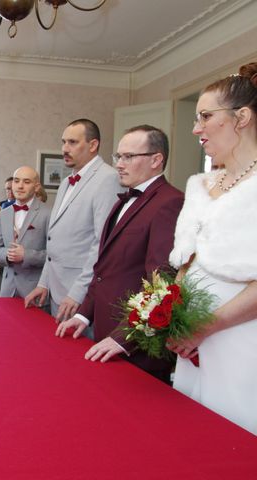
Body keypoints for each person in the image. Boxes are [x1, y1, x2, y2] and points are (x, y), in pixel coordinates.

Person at [167, 63, 257, 434]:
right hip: (193, 342)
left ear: (242, 117)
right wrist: (175, 320)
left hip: (239, 337)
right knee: (193, 433)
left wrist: (207, 326)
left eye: (205, 116)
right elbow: (186, 263)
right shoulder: (198, 185)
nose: (196, 128)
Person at [55, 125, 184, 384]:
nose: (120, 165)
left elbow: (162, 283)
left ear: (156, 160)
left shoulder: (169, 202)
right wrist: (83, 314)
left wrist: (123, 338)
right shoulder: (121, 200)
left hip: (136, 346)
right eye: (118, 157)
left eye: (129, 157)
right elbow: (104, 269)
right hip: (105, 333)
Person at [24, 119, 123, 330]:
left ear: (93, 145)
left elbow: (102, 243)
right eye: (63, 142)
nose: (64, 149)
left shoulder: (108, 179)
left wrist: (78, 293)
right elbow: (55, 241)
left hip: (81, 296)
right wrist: (44, 283)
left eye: (72, 142)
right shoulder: (64, 183)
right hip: (58, 290)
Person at [0, 167, 51, 298]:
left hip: (34, 290)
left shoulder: (48, 214)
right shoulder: (3, 214)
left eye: (27, 182)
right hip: (7, 288)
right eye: (16, 181)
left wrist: (26, 255)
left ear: (36, 187)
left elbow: (55, 255)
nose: (20, 186)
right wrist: (7, 254)